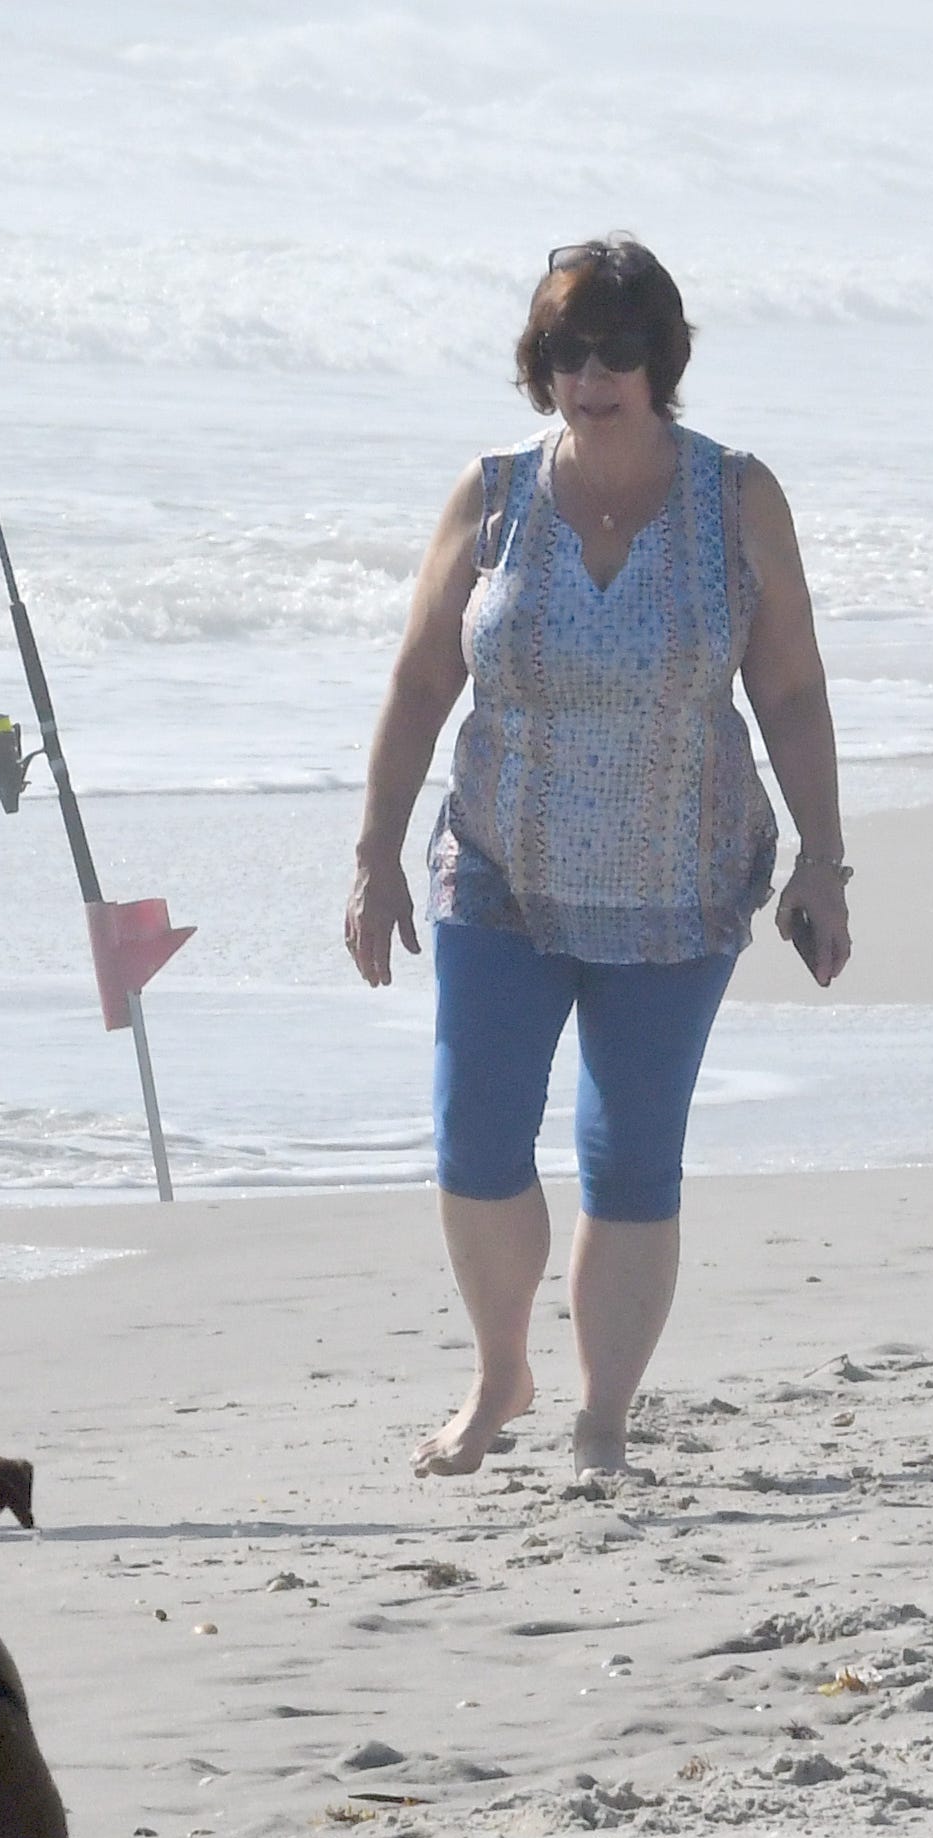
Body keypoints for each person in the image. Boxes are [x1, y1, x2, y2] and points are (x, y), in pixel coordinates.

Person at [338, 239, 849, 1483]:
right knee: (476, 1136)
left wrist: (824, 859)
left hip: (680, 873)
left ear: (660, 361)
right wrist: (374, 852)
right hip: (498, 864)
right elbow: (418, 680)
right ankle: (497, 1370)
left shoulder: (735, 497)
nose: (590, 375)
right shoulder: (494, 493)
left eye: (617, 351)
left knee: (628, 1153)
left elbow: (787, 686)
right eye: (567, 351)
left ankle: (603, 1414)